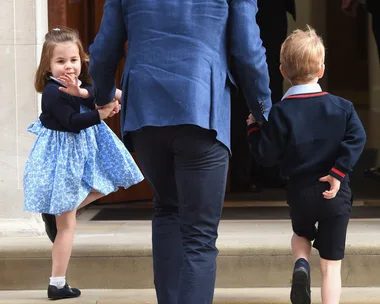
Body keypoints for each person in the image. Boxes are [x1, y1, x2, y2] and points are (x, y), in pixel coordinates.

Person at [88, 1, 272, 303]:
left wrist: (104, 95)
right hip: (202, 108)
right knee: (199, 235)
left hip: (145, 111)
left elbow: (104, 49)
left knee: (167, 210)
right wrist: (263, 111)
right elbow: (248, 52)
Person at [246, 26, 366, 304]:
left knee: (301, 234)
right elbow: (357, 137)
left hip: (300, 193)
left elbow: (266, 155)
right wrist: (338, 172)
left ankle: (301, 263)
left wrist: (254, 130)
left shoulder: (279, 112)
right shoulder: (343, 107)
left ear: (283, 72)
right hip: (335, 194)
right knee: (331, 263)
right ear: (321, 70)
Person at [23, 28, 144, 300]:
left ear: (82, 60)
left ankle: (64, 208)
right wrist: (100, 113)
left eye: (73, 60)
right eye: (61, 62)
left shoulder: (81, 83)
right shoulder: (52, 93)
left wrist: (102, 98)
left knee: (110, 181)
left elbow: (93, 91)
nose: (69, 67)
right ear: (48, 66)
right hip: (62, 158)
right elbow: (72, 122)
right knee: (67, 226)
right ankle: (57, 283)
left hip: (82, 154)